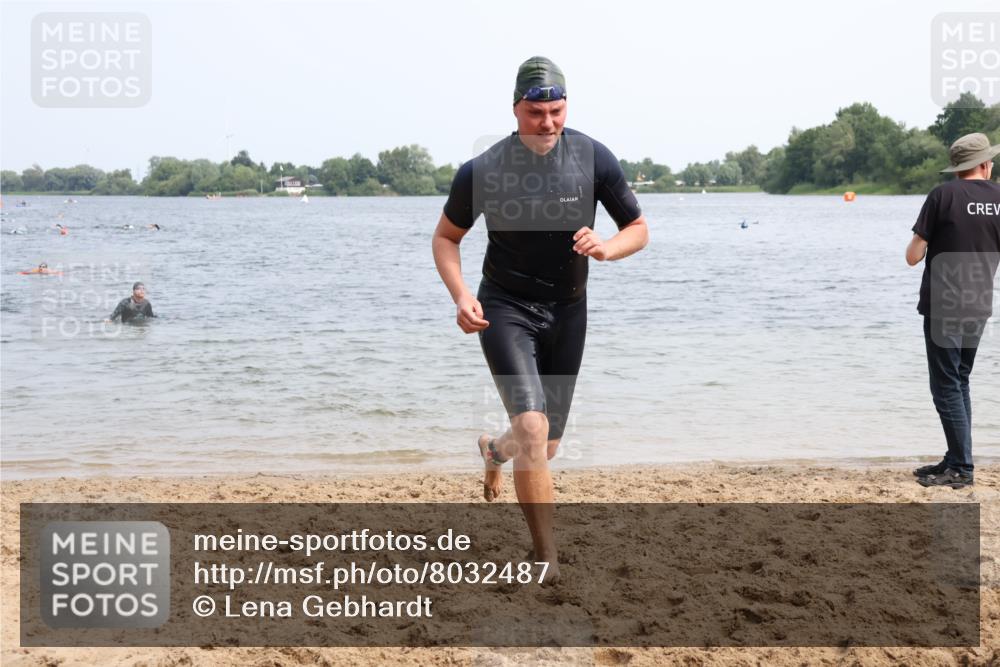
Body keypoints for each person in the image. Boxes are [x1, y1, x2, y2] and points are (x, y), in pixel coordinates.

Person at [432, 56, 649, 577]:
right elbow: (446, 238)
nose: (547, 123)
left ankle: (494, 451)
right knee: (532, 426)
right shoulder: (483, 171)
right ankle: (545, 555)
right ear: (515, 110)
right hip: (505, 309)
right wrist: (461, 296)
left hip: (569, 311)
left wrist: (607, 247)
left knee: (543, 444)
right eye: (535, 113)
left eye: (556, 111)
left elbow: (638, 228)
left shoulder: (593, 158)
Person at [906, 132, 1000, 489]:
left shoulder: (942, 196)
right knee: (960, 380)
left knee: (946, 386)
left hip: (944, 304)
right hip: (979, 303)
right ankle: (957, 456)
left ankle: (961, 467)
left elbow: (913, 256)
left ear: (958, 167)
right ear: (984, 164)